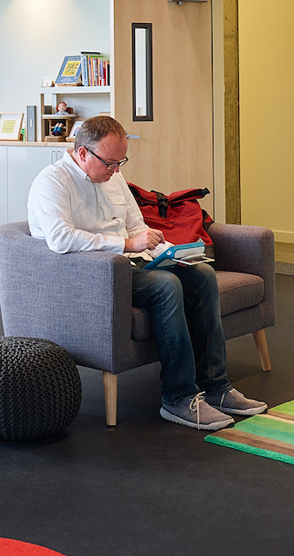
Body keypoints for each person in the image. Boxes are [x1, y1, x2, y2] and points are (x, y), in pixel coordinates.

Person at [26, 115, 267, 431]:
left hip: (125, 263)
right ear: (82, 153)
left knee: (202, 275)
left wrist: (167, 251)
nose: (116, 170)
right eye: (109, 163)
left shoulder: (113, 176)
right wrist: (126, 243)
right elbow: (61, 239)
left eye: (120, 162)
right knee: (165, 285)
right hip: (88, 274)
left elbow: (137, 225)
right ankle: (178, 397)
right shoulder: (52, 181)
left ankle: (216, 387)